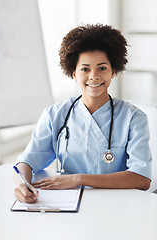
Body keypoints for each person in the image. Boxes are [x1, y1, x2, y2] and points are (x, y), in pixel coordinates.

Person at [14, 24, 152, 203]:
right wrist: (21, 183)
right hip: (68, 204)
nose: (93, 76)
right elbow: (27, 161)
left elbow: (142, 179)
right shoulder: (54, 115)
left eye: (102, 68)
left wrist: (78, 179)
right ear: (73, 73)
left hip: (119, 205)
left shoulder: (133, 118)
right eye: (85, 69)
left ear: (113, 71)